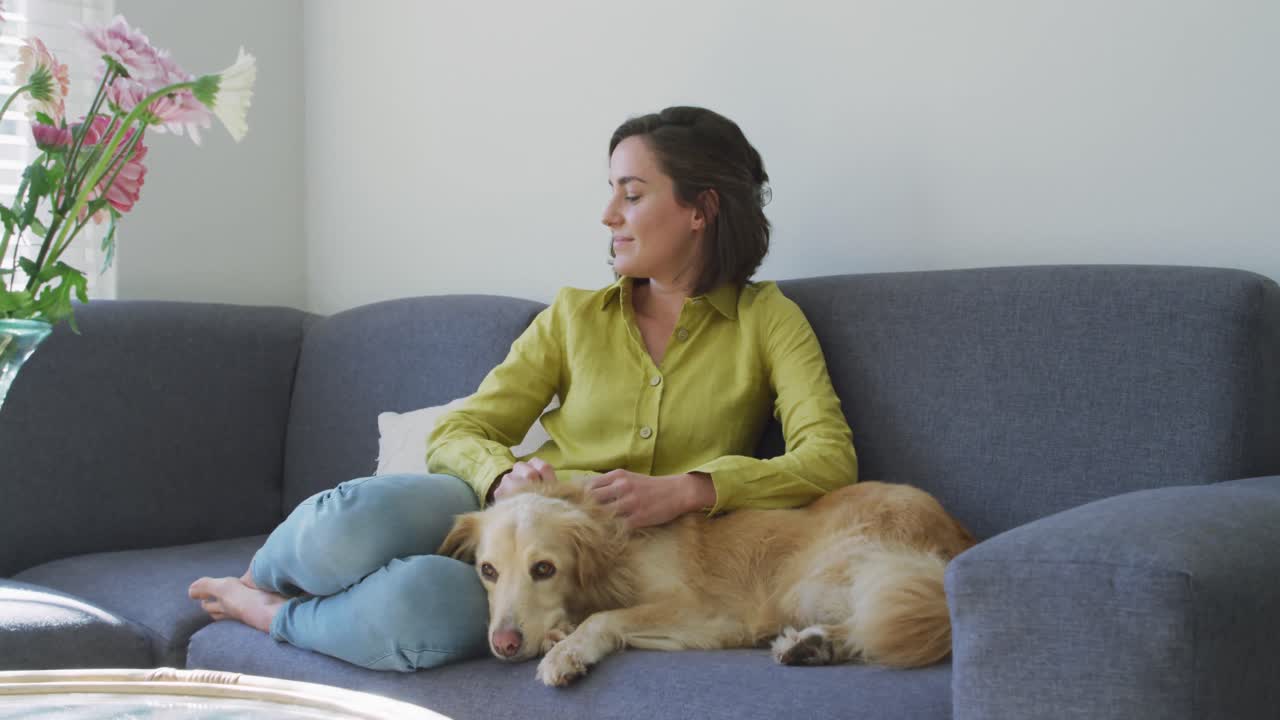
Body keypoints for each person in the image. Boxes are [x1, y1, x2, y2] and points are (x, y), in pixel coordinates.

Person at [188, 106, 858, 672]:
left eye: (631, 194)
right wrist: (501, 476)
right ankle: (265, 571)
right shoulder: (573, 316)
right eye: (610, 192)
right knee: (349, 524)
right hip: (504, 507)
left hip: (585, 561)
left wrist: (692, 487)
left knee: (414, 612)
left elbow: (829, 458)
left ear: (700, 209)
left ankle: (271, 614)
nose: (607, 215)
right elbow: (462, 431)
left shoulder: (768, 320)